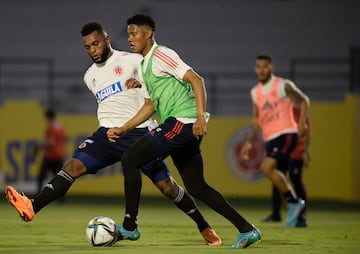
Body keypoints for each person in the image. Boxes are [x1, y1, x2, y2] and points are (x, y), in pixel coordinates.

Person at [5, 21, 222, 246]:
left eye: (96, 44)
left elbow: (156, 86)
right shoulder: (89, 76)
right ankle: (32, 206)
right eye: (88, 47)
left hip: (139, 132)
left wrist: (139, 84)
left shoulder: (134, 60)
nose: (93, 50)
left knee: (167, 187)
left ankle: (204, 226)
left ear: (107, 40)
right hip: (107, 135)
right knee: (72, 167)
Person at [106, 14, 261, 249]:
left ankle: (129, 225)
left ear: (148, 34)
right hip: (182, 126)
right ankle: (247, 230)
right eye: (128, 33)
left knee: (130, 159)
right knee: (197, 187)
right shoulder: (145, 65)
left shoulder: (161, 54)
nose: (129, 38)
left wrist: (200, 118)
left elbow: (197, 80)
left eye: (133, 32)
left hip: (182, 122)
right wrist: (123, 128)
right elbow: (149, 106)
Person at [241, 54, 309, 227]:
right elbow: (256, 120)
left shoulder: (282, 85)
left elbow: (304, 100)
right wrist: (249, 142)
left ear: (272, 68)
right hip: (270, 138)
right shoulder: (255, 92)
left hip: (286, 134)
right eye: (258, 66)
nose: (262, 70)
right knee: (281, 177)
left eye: (265, 66)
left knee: (266, 167)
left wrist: (301, 123)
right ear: (255, 69)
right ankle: (298, 218)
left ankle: (294, 203)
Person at [263, 103, 311, 227]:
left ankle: (301, 216)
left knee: (296, 182)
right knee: (278, 180)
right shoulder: (280, 111)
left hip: (296, 153)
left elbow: (307, 132)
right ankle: (277, 214)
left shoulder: (299, 112)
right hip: (284, 151)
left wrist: (305, 150)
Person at [36, 109, 66, 194]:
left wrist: (40, 145)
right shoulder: (60, 126)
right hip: (59, 155)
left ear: (48, 117)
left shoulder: (51, 127)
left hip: (51, 156)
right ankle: (61, 197)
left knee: (41, 176)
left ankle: (38, 194)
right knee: (60, 178)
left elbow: (52, 142)